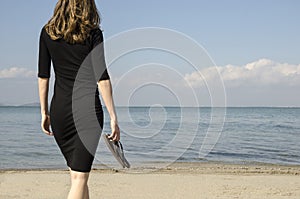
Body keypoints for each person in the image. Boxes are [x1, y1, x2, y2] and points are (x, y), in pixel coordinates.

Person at [37, 0, 120, 198]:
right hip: (88, 112)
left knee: (77, 176)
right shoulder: (93, 33)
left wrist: (44, 112)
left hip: (60, 111)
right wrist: (113, 117)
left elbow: (43, 76)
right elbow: (102, 77)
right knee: (80, 178)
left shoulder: (47, 32)